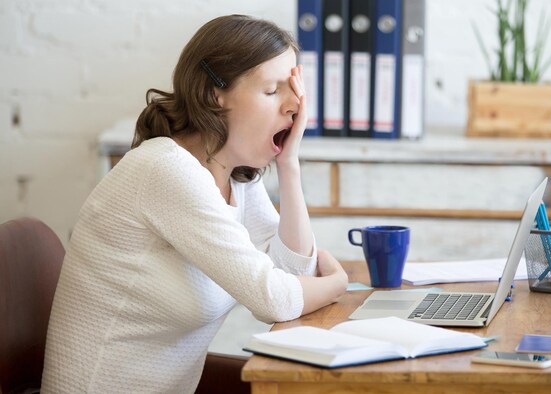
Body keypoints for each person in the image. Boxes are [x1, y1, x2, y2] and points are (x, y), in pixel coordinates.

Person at [41, 14, 348, 393]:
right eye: (272, 91)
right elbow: (276, 299)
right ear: (213, 94)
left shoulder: (233, 175)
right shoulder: (165, 170)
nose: (293, 107)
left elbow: (292, 270)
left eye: (293, 90)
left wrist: (289, 163)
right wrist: (338, 283)